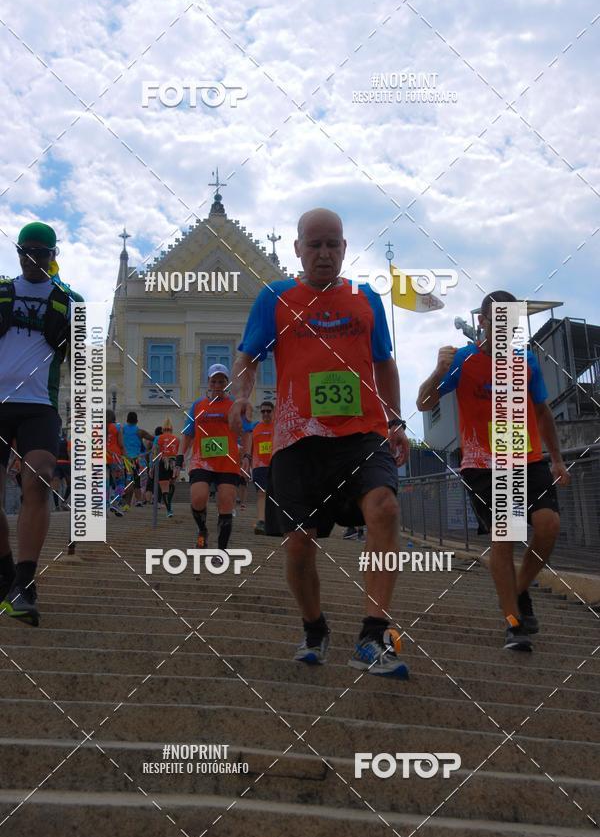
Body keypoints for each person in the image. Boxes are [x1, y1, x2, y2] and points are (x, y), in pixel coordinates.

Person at [230, 208, 410, 677]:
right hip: (297, 440)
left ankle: (373, 633)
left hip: (360, 434)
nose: (324, 254)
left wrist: (395, 421)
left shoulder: (366, 299)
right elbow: (247, 357)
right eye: (314, 245)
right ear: (298, 249)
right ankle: (314, 627)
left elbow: (384, 364)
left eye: (333, 244)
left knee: (385, 507)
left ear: (345, 248)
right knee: (297, 546)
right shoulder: (276, 297)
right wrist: (242, 397)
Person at [416, 290, 570, 651]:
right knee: (505, 536)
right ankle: (514, 623)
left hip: (529, 459)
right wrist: (438, 371)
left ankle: (517, 590)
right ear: (483, 322)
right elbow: (424, 402)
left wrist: (558, 459)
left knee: (549, 526)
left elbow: (544, 412)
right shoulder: (464, 360)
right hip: (484, 465)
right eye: (497, 320)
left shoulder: (526, 362)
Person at [0, 221, 83, 626]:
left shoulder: (70, 301)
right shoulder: (1, 292)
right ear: (18, 252)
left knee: (40, 477)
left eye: (41, 253)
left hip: (40, 405)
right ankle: (6, 573)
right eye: (25, 251)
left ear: (53, 256)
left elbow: (85, 368)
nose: (32, 259)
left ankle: (25, 583)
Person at [178, 364, 242, 552]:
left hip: (227, 461)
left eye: (221, 381)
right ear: (208, 382)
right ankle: (202, 530)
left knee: (226, 503)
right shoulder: (198, 405)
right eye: (214, 381)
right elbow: (188, 433)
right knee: (198, 498)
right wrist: (180, 456)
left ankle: (221, 550)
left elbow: (245, 431)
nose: (217, 384)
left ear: (226, 383)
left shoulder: (233, 405)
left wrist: (246, 454)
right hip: (201, 460)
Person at [242, 400, 275, 535]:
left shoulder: (278, 427)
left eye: (268, 411)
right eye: (263, 411)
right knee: (261, 493)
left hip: (276, 465)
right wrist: (247, 466)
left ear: (274, 412)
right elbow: (250, 448)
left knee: (275, 494)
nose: (265, 413)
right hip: (259, 467)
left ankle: (274, 521)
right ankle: (261, 521)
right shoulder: (255, 428)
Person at [121, 411, 152, 507]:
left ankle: (124, 501)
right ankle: (137, 501)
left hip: (123, 459)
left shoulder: (122, 430)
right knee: (136, 481)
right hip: (135, 460)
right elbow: (153, 438)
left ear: (126, 420)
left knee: (123, 480)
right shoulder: (140, 432)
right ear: (137, 421)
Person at [154, 419, 179, 518]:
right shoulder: (176, 439)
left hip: (162, 462)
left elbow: (154, 453)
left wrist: (152, 468)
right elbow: (179, 453)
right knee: (172, 484)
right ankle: (169, 506)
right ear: (171, 429)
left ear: (163, 429)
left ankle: (169, 510)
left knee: (164, 489)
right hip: (173, 462)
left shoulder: (158, 438)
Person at [106, 410, 125, 517]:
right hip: (115, 457)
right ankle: (115, 502)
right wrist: (125, 456)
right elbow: (121, 444)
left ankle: (104, 506)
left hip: (101, 457)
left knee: (105, 483)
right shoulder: (117, 427)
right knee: (120, 481)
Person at [52, 429, 71, 511]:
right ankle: (63, 502)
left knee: (55, 485)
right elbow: (69, 452)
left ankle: (57, 506)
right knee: (70, 484)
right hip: (65, 464)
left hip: (57, 464)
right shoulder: (67, 441)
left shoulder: (52, 441)